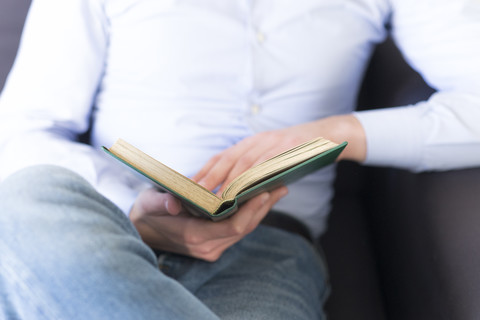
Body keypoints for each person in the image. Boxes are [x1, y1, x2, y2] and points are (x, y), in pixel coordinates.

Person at [0, 0, 479, 318]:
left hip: (264, 251)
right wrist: (134, 210)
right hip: (98, 229)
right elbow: (21, 131)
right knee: (25, 199)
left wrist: (340, 132)